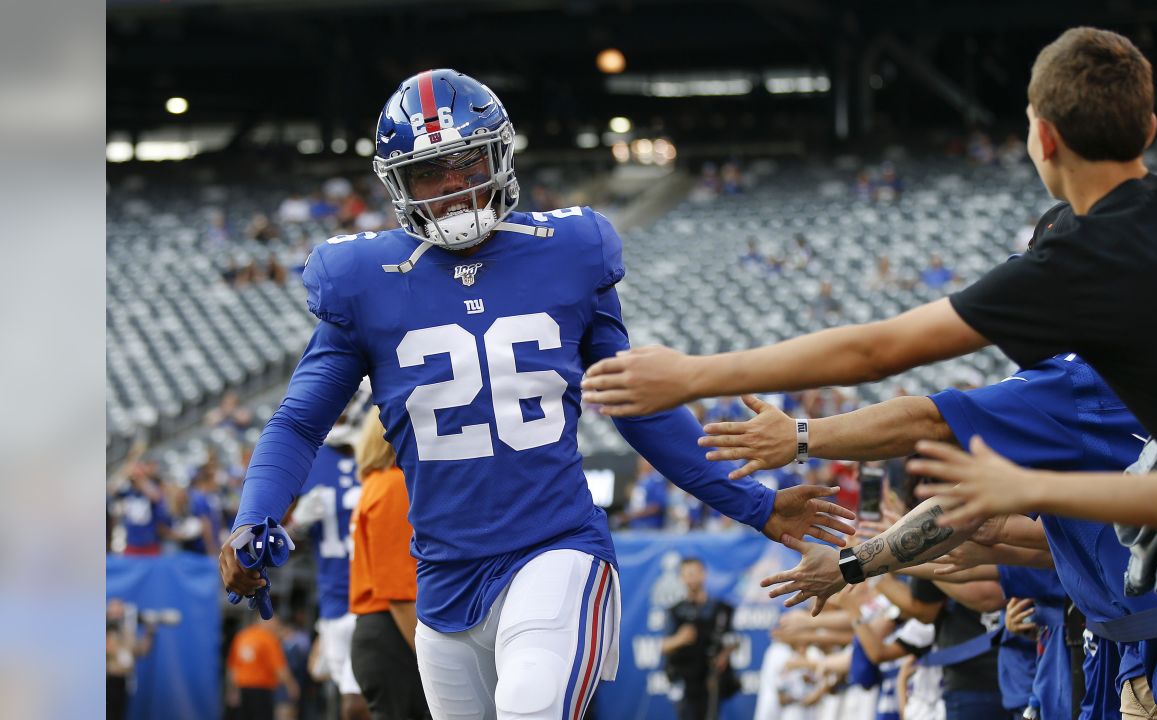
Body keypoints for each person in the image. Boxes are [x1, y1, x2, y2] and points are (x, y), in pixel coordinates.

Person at [221, 68, 855, 720]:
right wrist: (255, 512)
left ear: (499, 154)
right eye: (428, 174)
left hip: (554, 548)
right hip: (440, 581)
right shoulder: (364, 278)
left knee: (531, 706)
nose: (452, 189)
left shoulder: (568, 249)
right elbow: (300, 423)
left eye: (466, 163)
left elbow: (637, 407)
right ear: (397, 185)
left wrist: (754, 505)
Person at [582, 26, 1157, 526]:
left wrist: (692, 376)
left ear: (1043, 139)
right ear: (1149, 129)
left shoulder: (1071, 267)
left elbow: (877, 350)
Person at [700, 351, 1157, 718]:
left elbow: (926, 417)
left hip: (1148, 638)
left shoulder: (1072, 381)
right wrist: (857, 564)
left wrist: (801, 436)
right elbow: (980, 518)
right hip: (1122, 640)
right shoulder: (1136, 374)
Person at [287, 384, 372, 720]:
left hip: (378, 595)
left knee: (358, 703)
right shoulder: (311, 456)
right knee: (348, 699)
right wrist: (296, 525)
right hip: (335, 598)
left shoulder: (384, 448)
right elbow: (276, 539)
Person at [348, 409, 429, 720]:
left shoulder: (374, 485)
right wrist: (429, 657)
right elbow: (398, 590)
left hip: (380, 631)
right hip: (394, 630)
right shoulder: (394, 485)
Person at [660, 557, 739, 720]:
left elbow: (733, 638)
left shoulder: (721, 609)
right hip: (686, 682)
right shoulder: (676, 611)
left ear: (704, 574)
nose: (691, 578)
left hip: (712, 681)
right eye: (687, 574)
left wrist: (724, 654)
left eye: (695, 573)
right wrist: (680, 639)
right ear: (680, 578)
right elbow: (664, 646)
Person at [227, 611, 300, 720]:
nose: (277, 627)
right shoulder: (268, 639)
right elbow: (280, 669)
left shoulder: (242, 636)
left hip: (243, 689)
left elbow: (232, 668)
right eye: (275, 623)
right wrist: (291, 685)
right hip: (261, 690)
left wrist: (232, 690)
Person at [106, 598, 155, 720]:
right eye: (114, 611)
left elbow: (140, 651)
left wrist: (149, 633)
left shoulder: (127, 631)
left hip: (124, 680)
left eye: (119, 611)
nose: (117, 614)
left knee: (120, 714)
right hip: (107, 680)